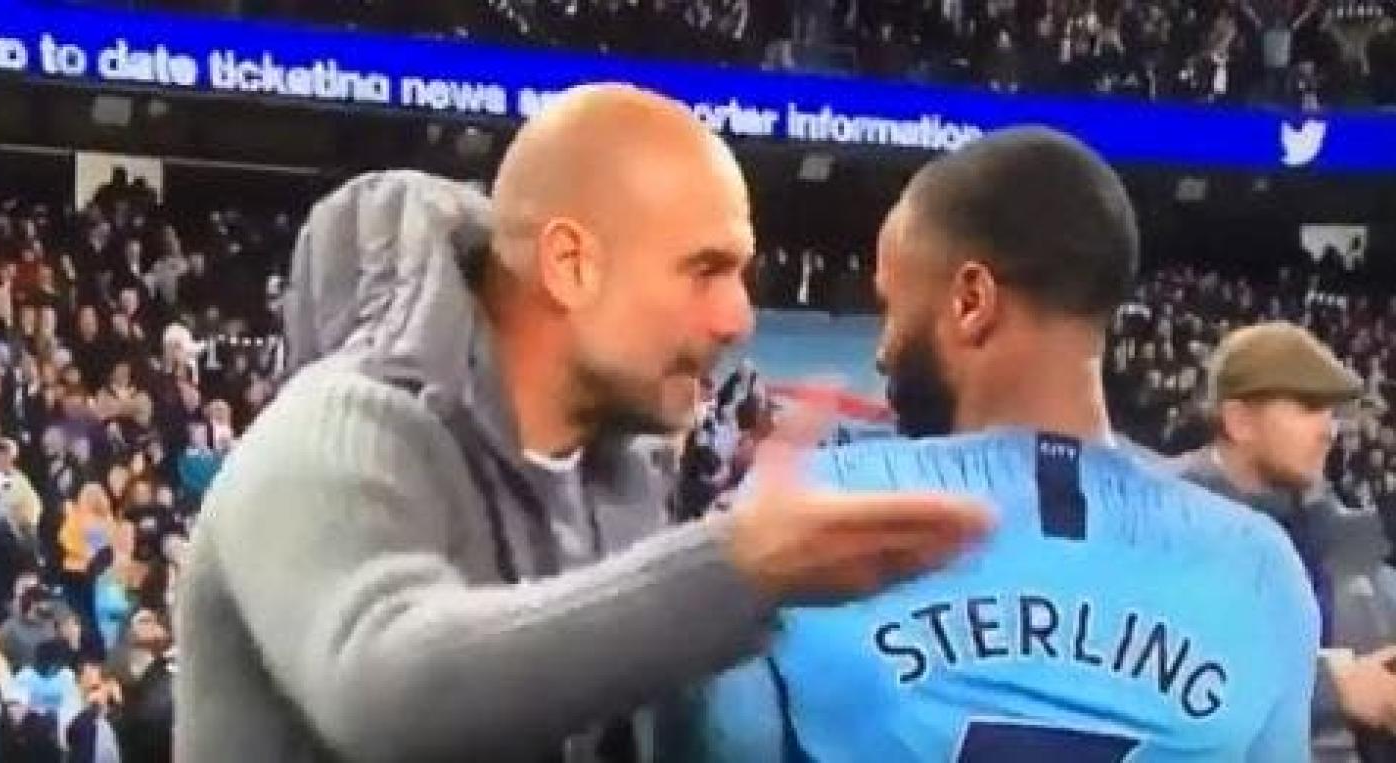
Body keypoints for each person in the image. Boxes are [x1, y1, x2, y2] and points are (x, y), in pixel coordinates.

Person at [176, 83, 991, 762]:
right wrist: (737, 566)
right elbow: (385, 686)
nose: (738, 317)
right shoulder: (335, 430)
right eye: (705, 269)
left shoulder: (618, 479)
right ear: (571, 264)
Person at [690, 127, 1319, 760]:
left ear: (972, 301)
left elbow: (721, 743)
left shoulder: (815, 507)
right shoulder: (1260, 570)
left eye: (892, 308)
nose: (881, 352)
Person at [1173, 321, 1396, 763]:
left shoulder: (1338, 538)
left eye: (1331, 412)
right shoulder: (1162, 526)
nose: (1329, 430)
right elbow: (1153, 671)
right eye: (1308, 407)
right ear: (1239, 422)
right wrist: (1332, 689)